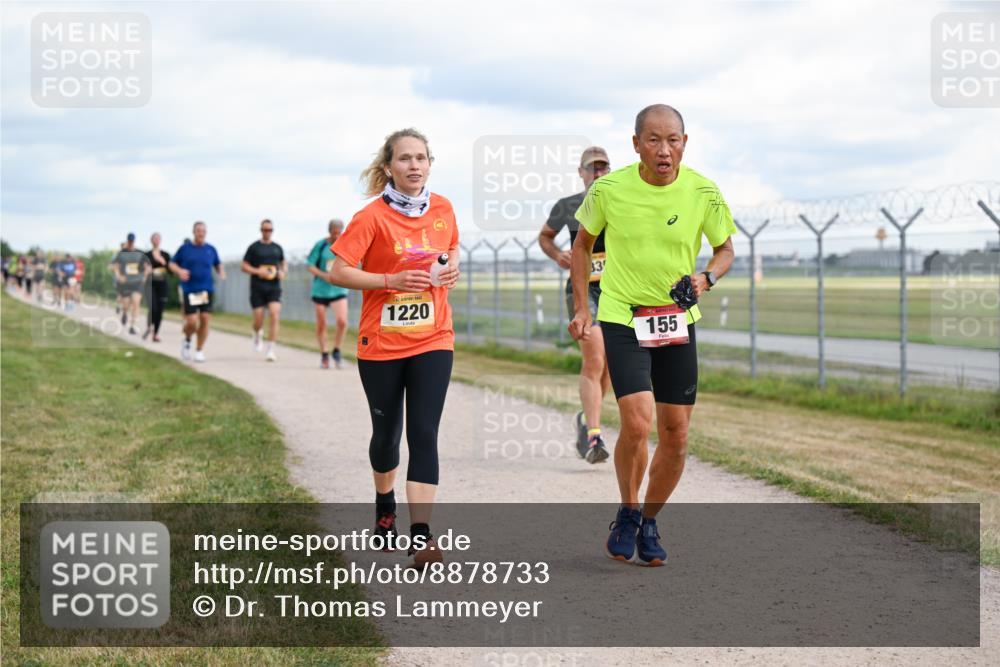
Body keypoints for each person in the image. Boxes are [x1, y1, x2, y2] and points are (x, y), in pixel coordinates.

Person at [569, 104, 736, 567]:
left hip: (678, 319)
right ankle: (627, 509)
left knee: (677, 435)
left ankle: (649, 519)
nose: (665, 150)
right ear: (636, 144)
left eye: (674, 140)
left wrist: (707, 279)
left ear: (686, 142)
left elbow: (725, 249)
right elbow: (582, 245)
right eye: (654, 140)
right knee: (638, 422)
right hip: (624, 316)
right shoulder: (608, 189)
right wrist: (584, 306)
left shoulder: (703, 191)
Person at [328, 128, 460, 566]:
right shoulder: (371, 217)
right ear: (389, 167)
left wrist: (449, 270)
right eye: (405, 159)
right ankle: (385, 506)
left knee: (424, 434)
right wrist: (390, 281)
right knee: (387, 439)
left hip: (433, 337)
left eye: (421, 158)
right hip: (381, 344)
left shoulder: (443, 209)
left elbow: (451, 251)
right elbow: (339, 271)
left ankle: (421, 536)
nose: (414, 166)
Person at [538, 146, 612, 464]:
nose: (597, 174)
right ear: (580, 173)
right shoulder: (567, 206)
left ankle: (585, 420)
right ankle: (594, 436)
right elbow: (545, 237)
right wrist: (558, 255)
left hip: (618, 292)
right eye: (591, 169)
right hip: (582, 291)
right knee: (594, 359)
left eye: (602, 168)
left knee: (611, 367)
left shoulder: (621, 203)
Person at [169, 222, 225, 362]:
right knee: (192, 322)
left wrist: (221, 272)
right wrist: (179, 271)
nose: (201, 233)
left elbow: (218, 263)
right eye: (199, 231)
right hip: (190, 290)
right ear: (194, 232)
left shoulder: (211, 249)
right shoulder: (185, 249)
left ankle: (199, 350)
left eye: (203, 231)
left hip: (206, 290)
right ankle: (187, 340)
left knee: (205, 318)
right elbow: (172, 264)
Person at [241, 219, 287, 362]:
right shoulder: (254, 247)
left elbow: (283, 263)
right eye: (265, 230)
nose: (267, 232)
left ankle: (271, 348)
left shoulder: (277, 248)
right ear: (261, 230)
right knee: (258, 318)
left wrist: (283, 272)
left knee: (274, 314)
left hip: (274, 287)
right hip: (258, 287)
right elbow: (244, 266)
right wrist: (257, 271)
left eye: (270, 230)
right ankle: (257, 333)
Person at [306, 219, 350, 369]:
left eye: (339, 232)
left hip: (339, 289)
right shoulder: (321, 245)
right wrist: (323, 275)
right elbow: (309, 265)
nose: (337, 235)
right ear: (329, 231)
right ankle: (324, 354)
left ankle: (337, 350)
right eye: (334, 232)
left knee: (342, 321)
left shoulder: (345, 244)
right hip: (321, 289)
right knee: (322, 323)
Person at [111, 233, 151, 335]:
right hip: (125, 283)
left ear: (134, 241)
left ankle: (133, 326)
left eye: (132, 241)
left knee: (136, 302)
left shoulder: (140, 253)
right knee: (126, 304)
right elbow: (115, 266)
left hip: (137, 282)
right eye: (129, 241)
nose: (131, 242)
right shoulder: (121, 253)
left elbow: (148, 267)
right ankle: (124, 313)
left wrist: (145, 277)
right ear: (127, 241)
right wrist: (119, 276)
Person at [144, 233, 171, 342]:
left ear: (161, 240)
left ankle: (155, 333)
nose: (156, 240)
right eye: (154, 238)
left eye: (158, 238)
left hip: (162, 284)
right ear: (151, 240)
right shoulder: (147, 255)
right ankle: (149, 326)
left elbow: (170, 269)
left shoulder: (165, 254)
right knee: (153, 308)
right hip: (150, 284)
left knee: (160, 310)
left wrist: (162, 262)